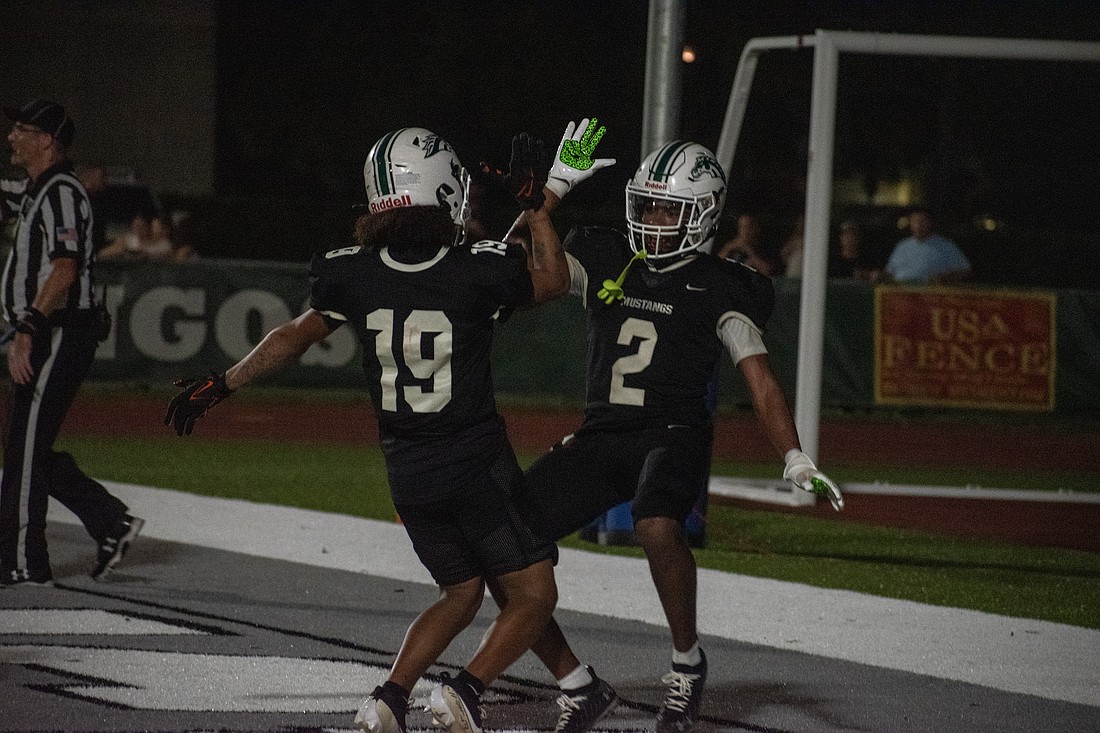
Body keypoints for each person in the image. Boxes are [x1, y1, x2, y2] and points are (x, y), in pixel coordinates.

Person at [164, 127, 576, 733]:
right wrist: (539, 211)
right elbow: (555, 281)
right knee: (535, 595)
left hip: (406, 469)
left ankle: (388, 698)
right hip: (472, 459)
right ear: (442, 192)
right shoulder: (475, 269)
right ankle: (464, 691)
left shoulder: (354, 273)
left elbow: (293, 337)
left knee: (461, 593)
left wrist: (223, 384)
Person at [506, 138, 845, 733]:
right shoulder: (608, 254)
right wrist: (551, 195)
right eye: (647, 205)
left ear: (704, 214)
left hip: (674, 430)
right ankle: (575, 683)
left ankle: (687, 662)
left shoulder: (725, 284)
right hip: (604, 433)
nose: (651, 220)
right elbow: (511, 273)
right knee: (502, 544)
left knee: (657, 523)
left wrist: (792, 454)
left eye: (668, 210)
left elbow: (759, 379)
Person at [1, 98, 144, 587]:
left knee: (22, 448)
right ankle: (109, 521)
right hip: (52, 329)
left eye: (21, 129)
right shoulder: (41, 188)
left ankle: (22, 562)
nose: (11, 137)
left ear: (46, 139)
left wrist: (27, 329)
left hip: (59, 330)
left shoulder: (62, 191)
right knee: (29, 447)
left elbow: (63, 270)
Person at [881, 206, 971, 284]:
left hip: (929, 298)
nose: (918, 225)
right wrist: (878, 275)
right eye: (915, 222)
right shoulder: (902, 246)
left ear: (930, 223)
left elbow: (964, 271)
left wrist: (945, 278)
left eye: (922, 221)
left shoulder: (945, 246)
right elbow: (890, 272)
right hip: (900, 296)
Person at [714, 211, 778, 276]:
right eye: (741, 227)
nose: (744, 231)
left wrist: (748, 250)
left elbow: (768, 271)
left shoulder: (765, 247)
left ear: (756, 229)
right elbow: (716, 266)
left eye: (748, 227)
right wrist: (728, 248)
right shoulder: (732, 247)